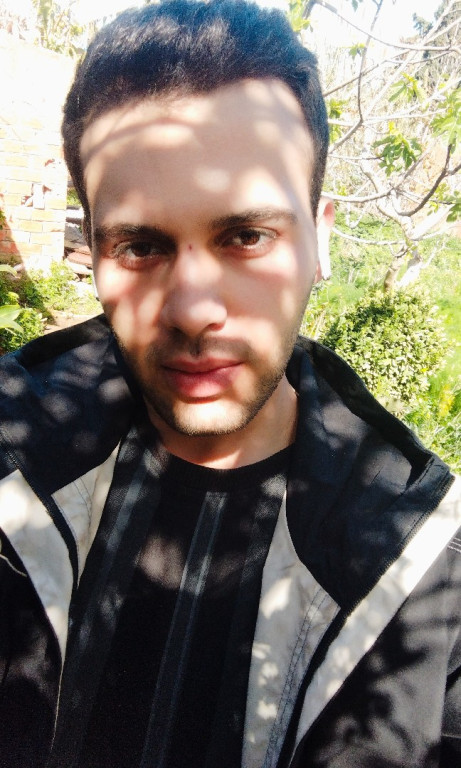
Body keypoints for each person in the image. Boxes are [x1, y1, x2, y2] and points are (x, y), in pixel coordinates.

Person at [0, 1, 459, 766]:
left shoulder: (428, 567)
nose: (192, 309)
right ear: (94, 252)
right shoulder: (12, 456)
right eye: (140, 245)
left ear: (320, 240)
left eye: (245, 235)